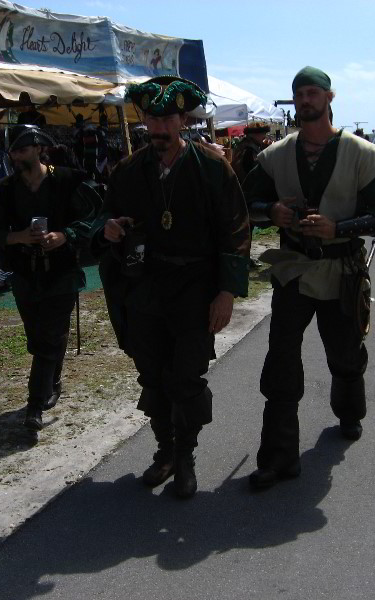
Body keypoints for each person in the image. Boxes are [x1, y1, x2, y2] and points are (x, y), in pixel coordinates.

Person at [93, 76, 250, 499]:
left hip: (196, 291)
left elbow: (236, 231)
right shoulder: (128, 171)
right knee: (153, 376)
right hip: (145, 290)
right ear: (142, 118)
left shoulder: (212, 168)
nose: (159, 129)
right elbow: (102, 218)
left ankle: (186, 457)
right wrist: (107, 228)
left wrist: (226, 292)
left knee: (187, 378)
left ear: (182, 119)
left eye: (167, 119)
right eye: (151, 119)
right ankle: (164, 452)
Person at [242, 66, 375, 490]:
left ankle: (349, 412)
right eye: (299, 94)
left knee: (345, 354)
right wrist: (269, 212)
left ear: (330, 98)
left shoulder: (362, 153)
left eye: (313, 93)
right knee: (281, 361)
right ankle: (278, 457)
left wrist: (340, 227)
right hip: (293, 269)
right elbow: (246, 202)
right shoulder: (276, 155)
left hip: (342, 271)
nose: (305, 100)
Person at [0, 125, 96, 431]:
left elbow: (96, 215)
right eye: (13, 150)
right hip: (25, 275)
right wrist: (17, 237)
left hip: (62, 273)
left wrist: (66, 234)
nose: (15, 155)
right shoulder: (3, 191)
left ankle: (34, 406)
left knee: (49, 337)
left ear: (39, 148)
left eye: (22, 149)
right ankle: (53, 378)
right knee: (39, 337)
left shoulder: (67, 181)